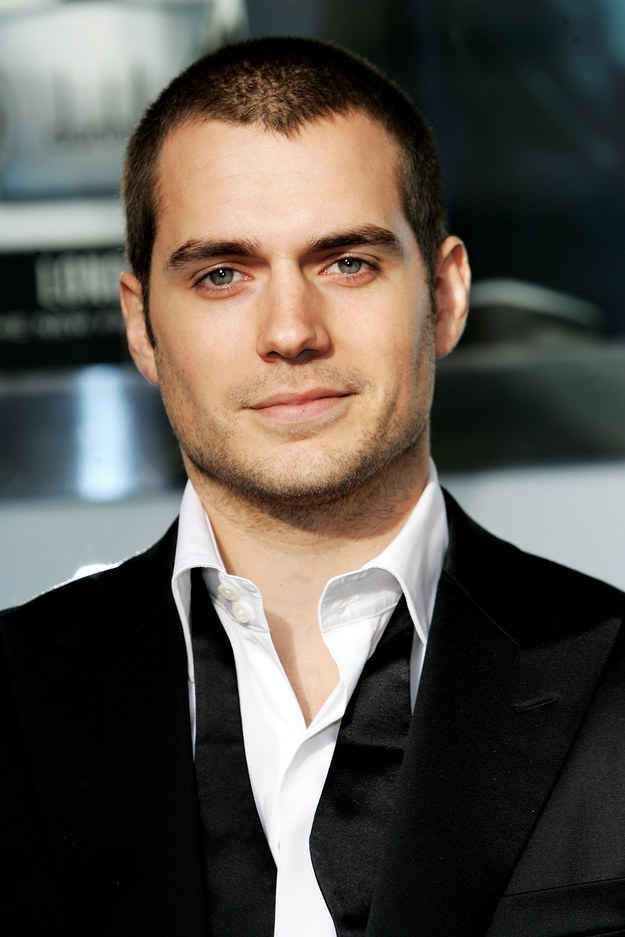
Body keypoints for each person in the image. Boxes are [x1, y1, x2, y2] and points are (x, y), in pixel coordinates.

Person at [1, 36, 624, 937]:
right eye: (222, 274)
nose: (291, 331)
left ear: (446, 295)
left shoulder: (612, 676)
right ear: (141, 325)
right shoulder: (14, 696)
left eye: (346, 262)